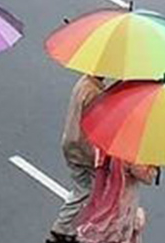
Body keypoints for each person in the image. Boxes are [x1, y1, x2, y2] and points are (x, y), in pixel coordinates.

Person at [48, 74, 107, 243]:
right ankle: (64, 225)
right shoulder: (93, 92)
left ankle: (65, 226)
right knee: (89, 191)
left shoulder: (84, 83)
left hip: (71, 143)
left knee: (82, 189)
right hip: (82, 149)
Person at [76, 155, 159, 243]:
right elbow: (146, 177)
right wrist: (154, 166)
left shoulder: (112, 151)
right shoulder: (131, 155)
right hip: (122, 201)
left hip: (106, 192)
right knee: (116, 232)